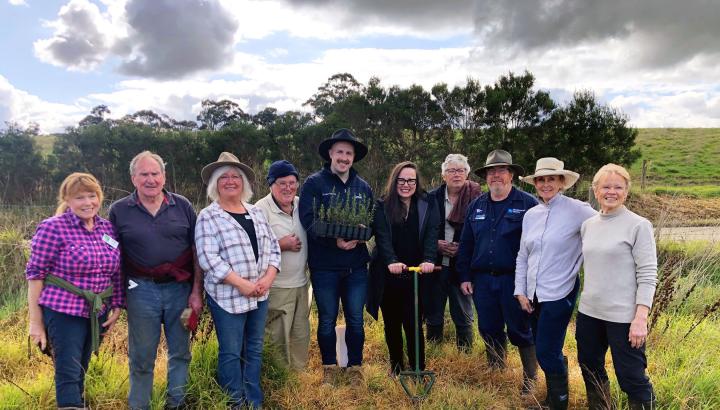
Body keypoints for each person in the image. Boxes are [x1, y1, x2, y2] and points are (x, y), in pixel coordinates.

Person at [109, 151, 203, 410]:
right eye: (144, 174)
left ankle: (177, 403)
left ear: (163, 176)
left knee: (181, 353)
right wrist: (116, 297)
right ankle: (139, 406)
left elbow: (196, 249)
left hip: (180, 290)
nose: (150, 179)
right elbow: (111, 256)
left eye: (155, 173)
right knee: (141, 357)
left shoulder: (182, 205)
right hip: (140, 291)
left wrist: (196, 292)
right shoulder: (119, 211)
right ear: (133, 178)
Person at [26, 172, 123, 409]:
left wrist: (117, 305)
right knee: (68, 371)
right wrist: (35, 322)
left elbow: (116, 271)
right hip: (63, 311)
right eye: (80, 197)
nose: (87, 202)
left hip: (96, 312)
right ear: (67, 200)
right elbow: (35, 275)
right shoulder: (53, 228)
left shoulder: (107, 229)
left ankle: (77, 404)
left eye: (92, 196)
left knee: (81, 367)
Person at [195, 152, 281, 409]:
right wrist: (241, 283)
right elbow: (208, 258)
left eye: (236, 176)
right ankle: (234, 401)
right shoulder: (208, 216)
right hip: (227, 297)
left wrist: (268, 278)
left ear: (244, 182)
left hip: (260, 294)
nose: (230, 181)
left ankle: (253, 400)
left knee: (254, 348)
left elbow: (273, 248)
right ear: (215, 184)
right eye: (224, 177)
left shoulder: (255, 213)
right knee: (231, 352)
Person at [514, 158, 597, 409]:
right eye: (541, 179)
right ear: (535, 183)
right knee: (544, 348)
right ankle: (552, 396)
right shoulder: (531, 215)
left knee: (546, 351)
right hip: (533, 294)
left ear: (562, 182)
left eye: (551, 179)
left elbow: (605, 225)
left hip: (560, 292)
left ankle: (558, 403)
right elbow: (523, 255)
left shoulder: (578, 210)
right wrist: (520, 291)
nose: (545, 184)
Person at [456, 149, 539, 394]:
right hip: (482, 280)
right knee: (489, 327)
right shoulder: (476, 206)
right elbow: (466, 244)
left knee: (520, 329)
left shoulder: (528, 204)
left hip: (514, 281)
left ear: (511, 174)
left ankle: (530, 379)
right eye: (491, 171)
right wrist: (464, 276)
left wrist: (529, 284)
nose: (496, 176)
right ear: (486, 177)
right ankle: (496, 368)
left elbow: (537, 247)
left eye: (501, 170)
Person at [576, 164, 657, 410]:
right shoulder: (588, 225)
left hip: (624, 317)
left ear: (626, 191)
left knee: (631, 376)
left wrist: (640, 318)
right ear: (596, 190)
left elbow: (648, 273)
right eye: (606, 186)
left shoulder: (639, 225)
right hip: (590, 313)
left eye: (618, 187)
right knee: (590, 367)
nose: (612, 192)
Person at [298, 128, 373, 385]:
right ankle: (329, 367)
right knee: (327, 319)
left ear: (353, 157)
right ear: (330, 153)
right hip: (324, 267)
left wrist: (362, 234)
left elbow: (372, 220)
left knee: (355, 319)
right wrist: (334, 239)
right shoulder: (314, 183)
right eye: (339, 151)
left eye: (348, 153)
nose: (344, 157)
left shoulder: (362, 187)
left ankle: (355, 367)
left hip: (356, 268)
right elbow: (308, 220)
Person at [367, 161, 440, 376]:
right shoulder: (382, 205)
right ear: (394, 181)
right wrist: (391, 261)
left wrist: (428, 259)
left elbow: (431, 234)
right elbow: (382, 237)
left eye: (411, 180)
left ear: (417, 183)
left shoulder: (428, 203)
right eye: (401, 180)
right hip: (389, 274)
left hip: (416, 274)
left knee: (414, 323)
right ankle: (396, 367)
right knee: (392, 324)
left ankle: (418, 368)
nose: (406, 184)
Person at [255, 160, 311, 370]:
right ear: (271, 185)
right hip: (276, 285)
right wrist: (280, 245)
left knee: (300, 332)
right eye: (281, 183)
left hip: (301, 283)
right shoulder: (260, 209)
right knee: (277, 334)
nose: (287, 187)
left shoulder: (301, 204)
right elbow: (253, 248)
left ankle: (299, 375)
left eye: (292, 182)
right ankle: (279, 377)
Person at [424, 153, 479, 351]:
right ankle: (434, 352)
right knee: (433, 311)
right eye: (451, 170)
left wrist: (463, 248)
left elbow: (480, 233)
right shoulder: (430, 198)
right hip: (436, 264)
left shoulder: (477, 199)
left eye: (461, 170)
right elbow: (420, 230)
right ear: (443, 175)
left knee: (463, 313)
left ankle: (465, 356)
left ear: (467, 173)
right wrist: (435, 244)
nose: (456, 174)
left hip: (462, 266)